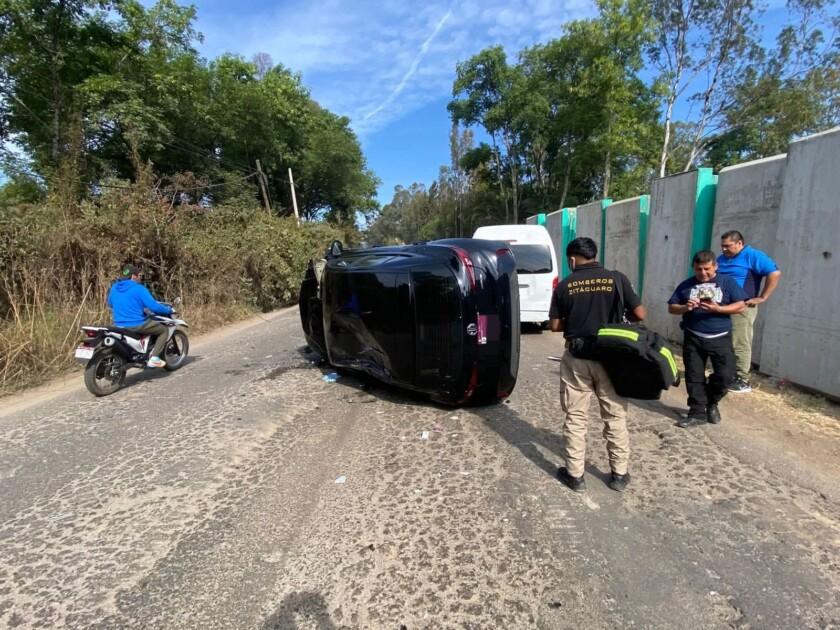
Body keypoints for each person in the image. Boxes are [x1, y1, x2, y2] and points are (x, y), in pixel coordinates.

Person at [548, 237, 647, 493]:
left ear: (572, 259)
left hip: (578, 358)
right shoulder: (617, 279)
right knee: (615, 416)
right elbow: (640, 314)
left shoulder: (565, 285)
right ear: (595, 255)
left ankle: (575, 476)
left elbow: (555, 325)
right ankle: (619, 474)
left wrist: (575, 318)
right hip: (612, 358)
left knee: (576, 417)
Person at [668, 251, 747, 428]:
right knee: (694, 376)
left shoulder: (727, 282)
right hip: (693, 337)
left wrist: (719, 309)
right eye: (698, 269)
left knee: (726, 376)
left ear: (715, 267)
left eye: (707, 269)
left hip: (720, 338)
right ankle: (697, 413)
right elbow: (672, 307)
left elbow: (741, 306)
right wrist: (685, 307)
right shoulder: (686, 285)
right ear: (693, 268)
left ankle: (711, 402)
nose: (703, 273)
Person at [717, 230, 782, 393]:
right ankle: (727, 372)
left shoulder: (752, 256)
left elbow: (774, 273)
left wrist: (762, 297)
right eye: (722, 246)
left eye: (728, 246)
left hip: (741, 306)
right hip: (722, 306)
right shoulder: (722, 259)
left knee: (740, 341)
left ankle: (742, 379)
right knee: (723, 340)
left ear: (740, 243)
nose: (724, 249)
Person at [107, 264, 174, 368]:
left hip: (118, 325)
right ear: (133, 276)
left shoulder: (114, 287)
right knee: (163, 330)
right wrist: (168, 310)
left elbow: (110, 304)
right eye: (139, 275)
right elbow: (153, 306)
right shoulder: (138, 288)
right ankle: (154, 358)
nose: (140, 278)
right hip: (137, 324)